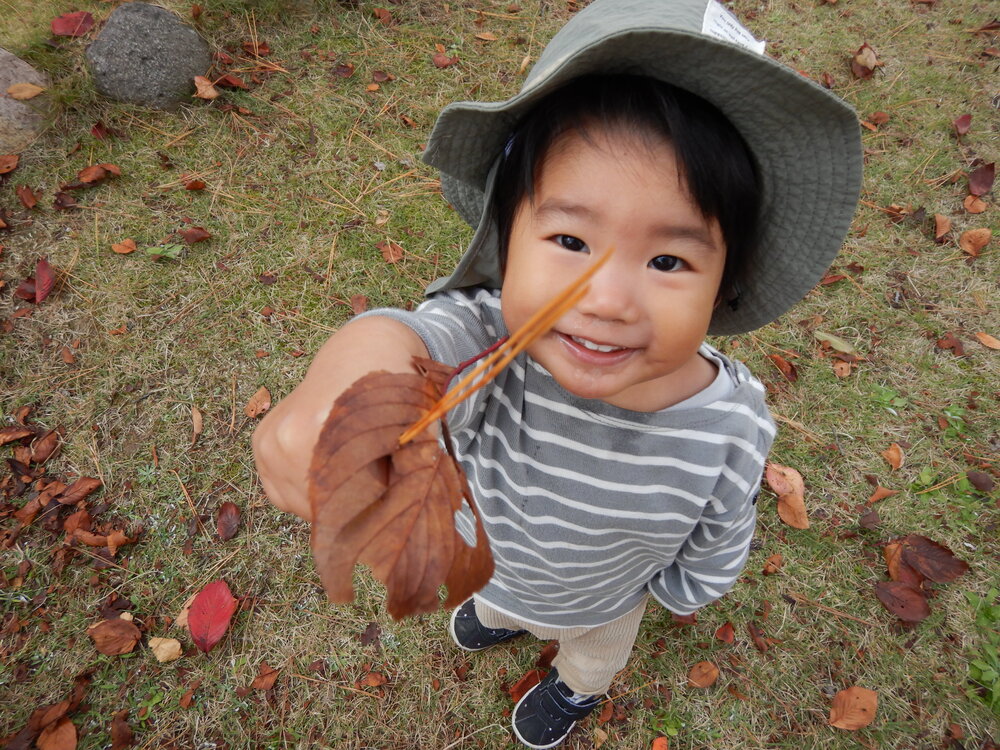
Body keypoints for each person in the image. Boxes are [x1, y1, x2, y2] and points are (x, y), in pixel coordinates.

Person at [253, 0, 862, 746]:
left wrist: (688, 588)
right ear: (505, 243)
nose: (605, 300)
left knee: (593, 652)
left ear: (726, 283)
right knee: (498, 599)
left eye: (668, 260)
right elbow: (406, 339)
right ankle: (504, 613)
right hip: (496, 565)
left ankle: (577, 689)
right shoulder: (492, 348)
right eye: (570, 239)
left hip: (606, 601)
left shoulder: (733, 422)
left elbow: (722, 520)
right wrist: (344, 392)